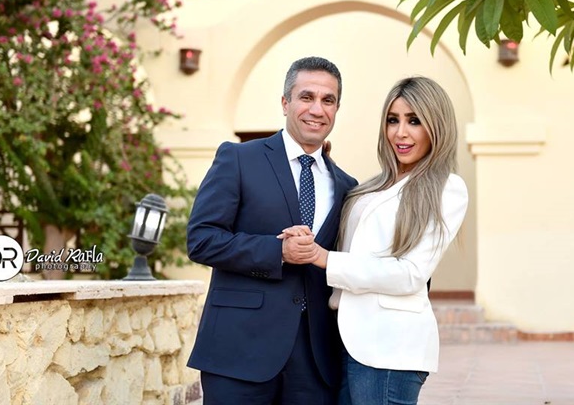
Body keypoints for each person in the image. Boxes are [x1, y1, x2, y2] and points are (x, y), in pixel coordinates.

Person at [279, 76, 469, 405]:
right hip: (343, 340)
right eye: (393, 120)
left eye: (414, 121)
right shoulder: (373, 186)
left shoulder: (446, 188)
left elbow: (411, 274)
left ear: (437, 126)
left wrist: (325, 258)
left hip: (389, 348)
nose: (400, 133)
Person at [186, 56, 358, 405]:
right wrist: (276, 252)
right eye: (306, 97)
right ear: (285, 103)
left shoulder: (347, 186)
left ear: (337, 109)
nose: (317, 109)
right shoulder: (238, 159)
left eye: (328, 100)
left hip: (315, 363)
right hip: (238, 351)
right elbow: (201, 239)